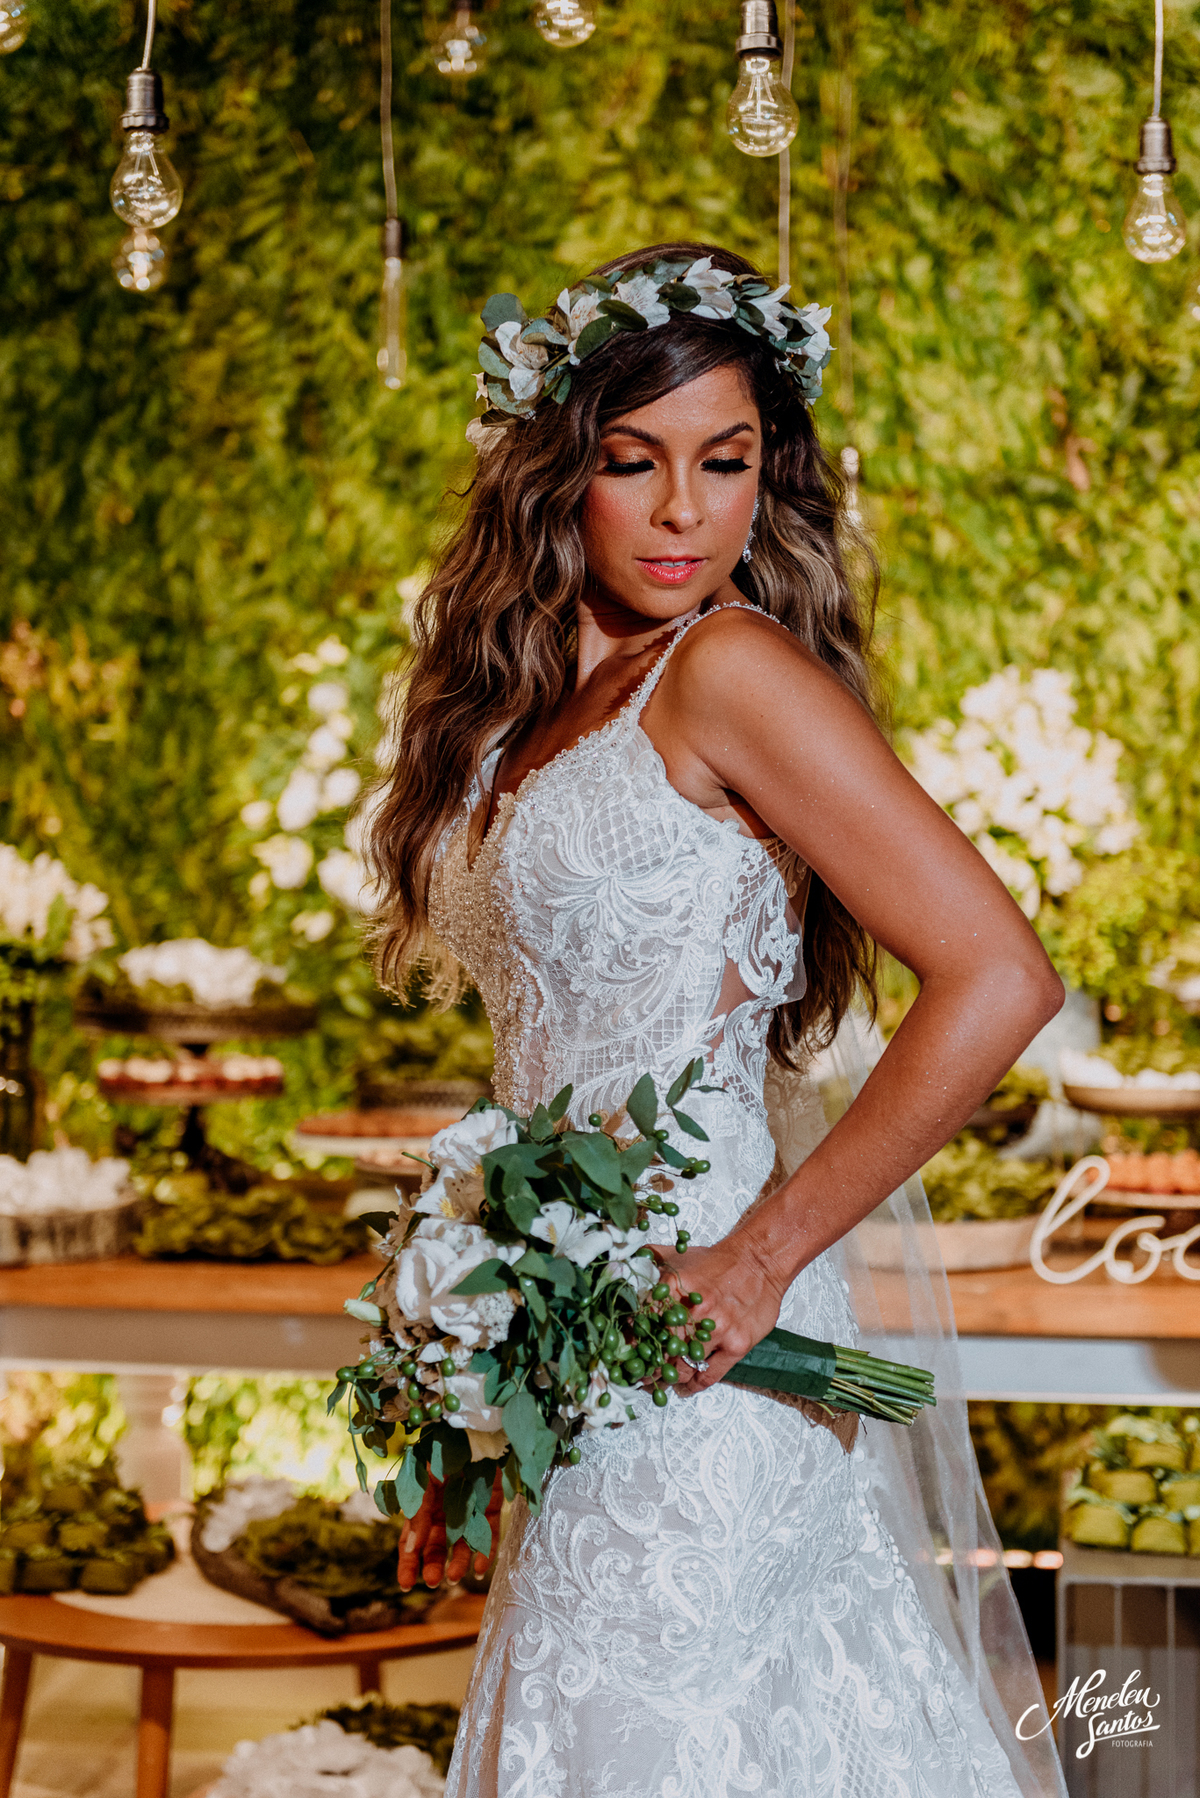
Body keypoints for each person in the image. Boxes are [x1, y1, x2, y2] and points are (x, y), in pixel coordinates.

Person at [369, 242, 1067, 1798]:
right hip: (593, 1370)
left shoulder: (731, 669)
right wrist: (485, 1408)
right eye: (634, 460)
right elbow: (545, 1083)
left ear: (770, 472)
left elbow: (1002, 976)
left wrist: (760, 1258)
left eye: (726, 460)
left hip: (710, 1357)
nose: (685, 508)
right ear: (560, 467)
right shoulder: (535, 692)